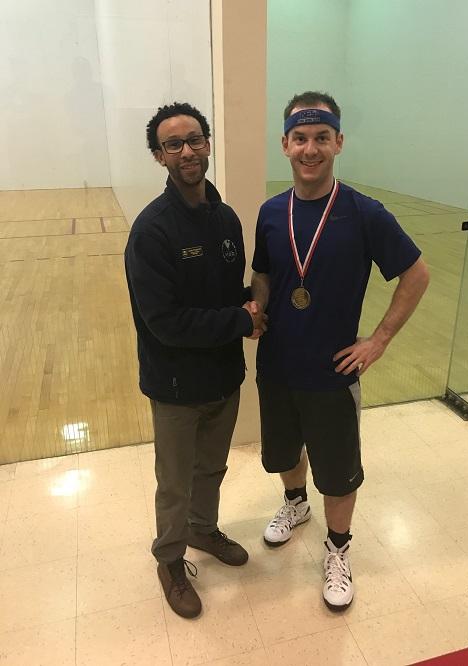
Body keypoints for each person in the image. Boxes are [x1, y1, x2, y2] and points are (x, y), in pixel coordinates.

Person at [251, 91, 430, 612]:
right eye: (301, 138)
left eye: (321, 138)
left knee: (337, 468)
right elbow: (264, 273)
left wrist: (379, 340)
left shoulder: (363, 213)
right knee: (285, 453)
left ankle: (338, 549)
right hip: (277, 366)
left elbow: (416, 274)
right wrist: (258, 307)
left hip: (333, 372)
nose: (311, 148)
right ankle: (294, 504)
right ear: (285, 144)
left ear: (339, 142)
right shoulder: (269, 213)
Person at [125, 101, 266, 619]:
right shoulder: (152, 231)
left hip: (224, 377)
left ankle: (204, 531)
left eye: (195, 139)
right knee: (175, 482)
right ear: (159, 156)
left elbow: (228, 294)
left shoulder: (225, 218)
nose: (187, 151)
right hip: (176, 386)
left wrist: (261, 299)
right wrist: (243, 320)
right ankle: (169, 558)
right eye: (173, 144)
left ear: (208, 143)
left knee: (213, 468)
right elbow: (167, 321)